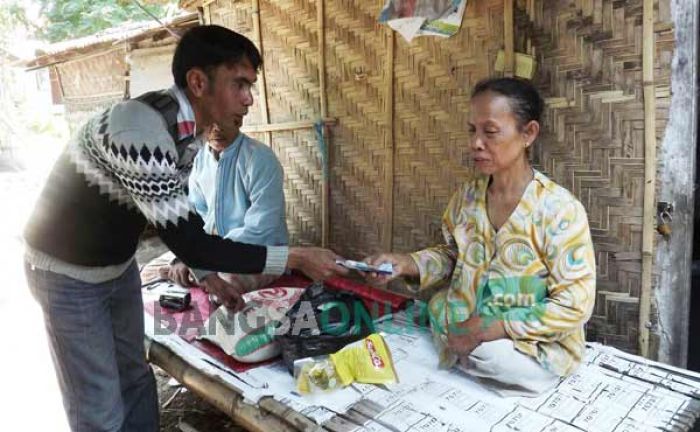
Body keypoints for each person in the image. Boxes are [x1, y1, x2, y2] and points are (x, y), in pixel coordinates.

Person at [22, 25, 348, 432]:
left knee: (136, 379)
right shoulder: (139, 130)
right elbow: (192, 239)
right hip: (66, 273)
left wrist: (208, 278)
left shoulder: (188, 136)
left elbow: (185, 226)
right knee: (99, 406)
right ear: (198, 82)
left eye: (251, 86)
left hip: (116, 266)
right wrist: (296, 256)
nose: (249, 98)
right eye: (239, 84)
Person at [364, 77, 596, 397]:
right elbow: (451, 256)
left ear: (528, 133)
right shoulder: (467, 198)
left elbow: (573, 306)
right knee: (436, 308)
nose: (476, 142)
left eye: (490, 131)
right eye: (472, 130)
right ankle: (465, 352)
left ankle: (474, 356)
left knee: (491, 353)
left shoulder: (559, 210)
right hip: (464, 325)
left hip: (525, 344)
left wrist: (490, 328)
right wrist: (406, 264)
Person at [161, 108, 289, 300]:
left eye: (223, 121)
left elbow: (261, 229)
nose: (216, 129)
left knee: (224, 286)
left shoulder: (260, 158)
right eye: (209, 123)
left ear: (238, 120)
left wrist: (205, 260)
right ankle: (196, 273)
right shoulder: (201, 159)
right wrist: (190, 256)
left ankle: (200, 277)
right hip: (213, 251)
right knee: (164, 266)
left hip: (260, 251)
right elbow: (197, 213)